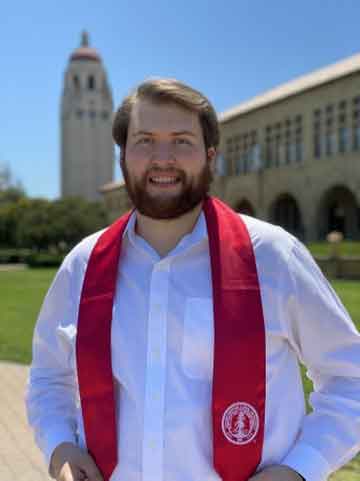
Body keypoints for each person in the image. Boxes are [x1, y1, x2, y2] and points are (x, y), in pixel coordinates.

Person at [26, 78, 360, 481]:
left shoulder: (272, 257)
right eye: (144, 140)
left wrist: (300, 469)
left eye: (182, 141)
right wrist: (60, 443)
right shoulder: (82, 265)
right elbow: (48, 375)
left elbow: (350, 378)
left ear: (210, 157)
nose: (162, 158)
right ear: (123, 157)